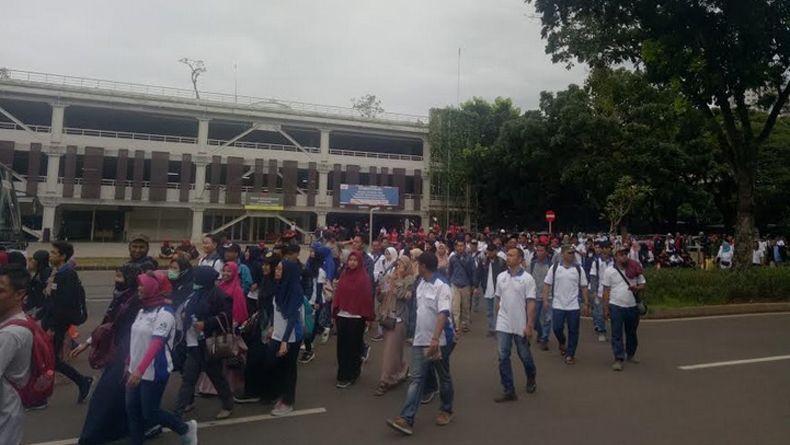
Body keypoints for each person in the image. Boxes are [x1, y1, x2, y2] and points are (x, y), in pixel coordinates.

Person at [72, 264, 143, 445]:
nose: (117, 280)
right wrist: (87, 343)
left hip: (126, 353)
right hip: (114, 351)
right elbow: (107, 323)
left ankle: (94, 437)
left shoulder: (136, 300)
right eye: (116, 276)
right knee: (112, 396)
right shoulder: (120, 296)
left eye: (120, 277)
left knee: (107, 396)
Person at [386, 252, 455, 436]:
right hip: (420, 340)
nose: (415, 266)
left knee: (444, 376)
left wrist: (435, 339)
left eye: (418, 263)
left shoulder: (442, 286)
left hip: (440, 341)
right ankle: (406, 419)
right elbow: (419, 313)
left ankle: (446, 409)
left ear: (423, 266)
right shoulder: (421, 284)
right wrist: (413, 335)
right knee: (417, 379)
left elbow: (443, 314)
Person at [126, 272, 197, 445]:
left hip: (154, 370)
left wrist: (140, 370)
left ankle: (185, 429)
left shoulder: (165, 313)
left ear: (154, 287)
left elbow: (156, 344)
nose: (139, 288)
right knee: (132, 410)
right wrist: (128, 363)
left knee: (150, 412)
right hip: (135, 369)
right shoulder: (142, 310)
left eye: (143, 285)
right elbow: (134, 339)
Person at [174, 266, 234, 420]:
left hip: (209, 344)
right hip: (194, 344)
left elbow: (226, 317)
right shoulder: (196, 294)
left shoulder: (219, 295)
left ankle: (227, 405)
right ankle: (179, 410)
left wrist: (206, 324)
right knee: (188, 377)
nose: (194, 280)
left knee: (216, 377)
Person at [41, 241, 93, 404]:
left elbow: (63, 304)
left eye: (54, 253)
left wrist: (54, 328)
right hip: (50, 321)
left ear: (63, 256)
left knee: (51, 359)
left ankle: (82, 381)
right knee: (49, 358)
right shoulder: (56, 272)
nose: (50, 255)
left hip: (56, 325)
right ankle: (82, 381)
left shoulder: (67, 275)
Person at [494, 247, 538, 402]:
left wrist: (529, 324)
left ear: (520, 259)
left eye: (512, 255)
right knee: (502, 355)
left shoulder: (527, 279)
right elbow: (498, 299)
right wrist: (498, 317)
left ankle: (531, 376)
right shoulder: (501, 277)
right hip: (503, 322)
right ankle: (508, 389)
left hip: (521, 322)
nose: (508, 257)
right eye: (507, 254)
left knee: (524, 355)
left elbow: (531, 302)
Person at [0, 265, 34, 445]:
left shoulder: (10, 334)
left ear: (19, 294)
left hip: (5, 413)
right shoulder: (18, 320)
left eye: (1, 291)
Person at [268, 259, 305, 416]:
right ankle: (282, 396)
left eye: (280, 269)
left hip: (290, 337)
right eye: (276, 269)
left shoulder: (295, 291)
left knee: (289, 370)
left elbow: (292, 318)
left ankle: (288, 402)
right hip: (277, 334)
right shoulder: (279, 287)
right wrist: (271, 326)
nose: (276, 271)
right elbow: (274, 310)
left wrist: (284, 341)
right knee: (278, 367)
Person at [332, 251, 374, 388]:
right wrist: (335, 311)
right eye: (350, 260)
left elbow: (367, 298)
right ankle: (342, 373)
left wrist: (368, 317)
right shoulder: (344, 275)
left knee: (352, 347)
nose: (352, 262)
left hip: (356, 318)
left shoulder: (364, 278)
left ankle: (351, 374)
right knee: (341, 347)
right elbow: (338, 293)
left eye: (355, 260)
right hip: (342, 316)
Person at [375, 255, 415, 396]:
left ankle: (385, 381)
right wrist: (381, 290)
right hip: (387, 317)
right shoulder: (389, 277)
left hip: (399, 319)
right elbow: (381, 297)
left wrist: (394, 283)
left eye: (401, 266)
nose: (398, 268)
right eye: (396, 265)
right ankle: (402, 369)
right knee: (394, 350)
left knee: (389, 351)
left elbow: (406, 296)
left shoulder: (410, 280)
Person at [543, 245, 590, 365]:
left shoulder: (579, 269)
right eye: (569, 253)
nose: (572, 255)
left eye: (573, 253)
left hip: (573, 305)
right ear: (562, 254)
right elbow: (547, 284)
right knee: (557, 328)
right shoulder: (554, 268)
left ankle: (570, 354)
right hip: (558, 304)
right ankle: (562, 341)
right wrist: (545, 300)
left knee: (573, 330)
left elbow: (584, 287)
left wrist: (586, 303)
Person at [603, 246, 647, 371]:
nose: (624, 256)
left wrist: (637, 288)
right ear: (615, 256)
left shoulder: (634, 267)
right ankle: (618, 358)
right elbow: (606, 291)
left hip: (632, 306)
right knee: (616, 333)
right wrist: (605, 308)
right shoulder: (609, 271)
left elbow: (643, 284)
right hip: (616, 305)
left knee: (631, 333)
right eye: (621, 254)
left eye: (626, 254)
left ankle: (631, 354)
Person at [477, 244, 506, 337]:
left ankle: (498, 329)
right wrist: (476, 286)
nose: (490, 253)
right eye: (489, 251)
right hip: (487, 289)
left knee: (496, 311)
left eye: (492, 251)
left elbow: (505, 276)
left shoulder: (501, 262)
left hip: (497, 290)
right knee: (489, 311)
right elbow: (479, 273)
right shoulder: (484, 261)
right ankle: (491, 329)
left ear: (496, 251)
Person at [529, 243, 554, 350]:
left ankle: (544, 339)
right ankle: (540, 332)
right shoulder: (532, 264)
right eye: (538, 250)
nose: (539, 252)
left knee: (547, 318)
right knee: (534, 319)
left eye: (542, 250)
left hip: (548, 295)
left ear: (546, 252)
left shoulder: (551, 265)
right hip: (535, 295)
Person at [448, 240, 476, 333]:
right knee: (455, 307)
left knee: (465, 306)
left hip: (466, 285)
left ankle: (465, 324)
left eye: (462, 246)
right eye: (458, 246)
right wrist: (450, 282)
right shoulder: (452, 258)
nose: (460, 247)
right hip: (455, 284)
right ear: (456, 247)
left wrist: (473, 285)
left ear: (465, 247)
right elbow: (450, 271)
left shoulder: (469, 258)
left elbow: (473, 272)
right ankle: (456, 325)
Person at [588, 241, 613, 342]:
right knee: (599, 312)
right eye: (605, 248)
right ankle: (601, 331)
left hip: (613, 292)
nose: (607, 250)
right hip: (600, 291)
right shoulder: (597, 262)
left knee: (613, 312)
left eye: (609, 248)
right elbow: (593, 277)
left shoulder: (613, 261)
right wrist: (594, 291)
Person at [218, 262, 249, 326]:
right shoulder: (220, 286)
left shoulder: (237, 290)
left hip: (230, 323)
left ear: (234, 273)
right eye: (224, 271)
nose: (225, 273)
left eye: (229, 271)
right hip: (219, 320)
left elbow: (240, 310)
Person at [24, 250, 51, 319]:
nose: (32, 261)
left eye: (34, 259)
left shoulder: (45, 272)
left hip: (39, 307)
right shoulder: (38, 272)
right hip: (35, 304)